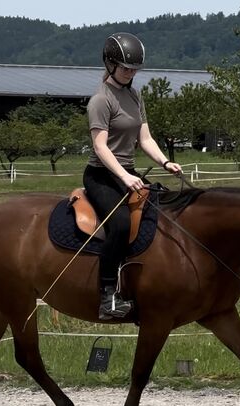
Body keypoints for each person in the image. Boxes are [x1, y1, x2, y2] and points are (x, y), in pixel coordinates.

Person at [85, 32, 182, 320]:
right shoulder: (101, 100)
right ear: (110, 64)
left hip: (127, 172)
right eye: (126, 68)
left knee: (160, 210)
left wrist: (165, 161)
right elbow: (100, 147)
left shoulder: (134, 95)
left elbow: (145, 138)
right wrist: (125, 177)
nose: (131, 73)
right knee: (119, 224)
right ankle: (107, 297)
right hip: (102, 175)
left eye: (135, 69)